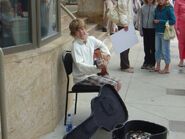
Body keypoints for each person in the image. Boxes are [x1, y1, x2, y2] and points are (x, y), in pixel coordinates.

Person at [69, 18, 121, 91]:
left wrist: (106, 55)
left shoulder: (90, 39)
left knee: (118, 82)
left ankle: (106, 102)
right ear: (74, 34)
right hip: (82, 79)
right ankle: (106, 102)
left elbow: (102, 45)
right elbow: (81, 66)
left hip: (91, 75)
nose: (81, 32)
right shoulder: (75, 46)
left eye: (82, 29)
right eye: (77, 30)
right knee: (112, 85)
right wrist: (97, 68)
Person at [154, 0, 176, 74]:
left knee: (165, 50)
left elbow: (173, 21)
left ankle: (167, 68)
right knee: (157, 50)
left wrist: (160, 21)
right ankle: (158, 66)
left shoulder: (169, 8)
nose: (160, 1)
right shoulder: (157, 7)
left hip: (165, 33)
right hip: (157, 32)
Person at [116, 0, 134, 73]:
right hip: (124, 23)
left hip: (127, 22)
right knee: (124, 47)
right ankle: (124, 66)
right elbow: (122, 11)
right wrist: (125, 23)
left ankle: (125, 64)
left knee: (127, 45)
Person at [140, 0, 156, 70]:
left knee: (152, 47)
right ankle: (146, 61)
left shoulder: (156, 7)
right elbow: (141, 19)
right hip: (145, 29)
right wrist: (141, 30)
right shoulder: (143, 7)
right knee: (146, 46)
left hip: (153, 29)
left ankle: (152, 62)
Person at [174, 0, 185, 67]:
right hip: (181, 25)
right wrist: (176, 27)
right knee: (181, 43)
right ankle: (181, 60)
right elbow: (175, 14)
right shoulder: (178, 1)